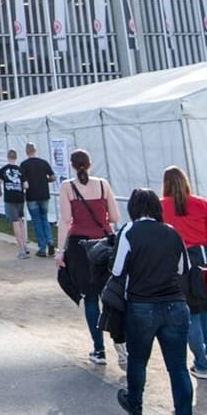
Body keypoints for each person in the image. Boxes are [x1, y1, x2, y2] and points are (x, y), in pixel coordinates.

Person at [111, 187, 195, 415]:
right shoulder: (171, 232)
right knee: (178, 368)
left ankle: (135, 403)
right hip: (175, 304)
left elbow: (117, 269)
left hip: (142, 304)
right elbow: (183, 268)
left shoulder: (130, 231)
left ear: (134, 208)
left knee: (138, 359)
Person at [56, 149, 122, 365]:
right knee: (110, 296)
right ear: (90, 164)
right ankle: (120, 344)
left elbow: (66, 221)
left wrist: (60, 250)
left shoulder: (67, 187)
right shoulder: (103, 184)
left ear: (72, 166)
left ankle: (99, 349)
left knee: (90, 297)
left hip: (80, 246)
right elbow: (114, 216)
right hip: (104, 242)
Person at [161, 165, 207, 380]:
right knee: (206, 305)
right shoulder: (201, 203)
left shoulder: (161, 206)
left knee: (191, 313)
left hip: (180, 261)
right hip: (204, 258)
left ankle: (200, 362)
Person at [20, 143, 57, 257]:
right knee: (44, 219)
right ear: (36, 150)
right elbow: (53, 177)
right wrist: (46, 180)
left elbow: (23, 182)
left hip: (32, 196)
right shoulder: (43, 163)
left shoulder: (24, 165)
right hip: (44, 194)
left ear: (26, 151)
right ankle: (50, 241)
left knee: (36, 221)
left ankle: (42, 247)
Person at [0, 149, 29, 258]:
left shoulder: (3, 169)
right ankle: (25, 245)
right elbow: (26, 185)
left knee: (15, 223)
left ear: (8, 157)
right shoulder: (20, 169)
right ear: (16, 157)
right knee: (20, 221)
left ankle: (21, 250)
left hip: (9, 199)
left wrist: (0, 192)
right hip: (19, 198)